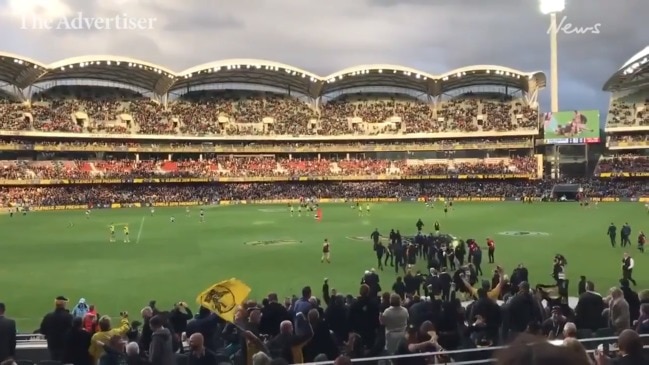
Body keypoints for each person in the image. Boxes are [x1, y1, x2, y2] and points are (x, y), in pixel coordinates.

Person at [40, 296, 73, 361]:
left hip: (52, 344)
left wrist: (49, 335)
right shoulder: (68, 316)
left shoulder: (48, 316)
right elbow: (72, 331)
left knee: (54, 361)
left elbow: (42, 330)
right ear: (64, 304)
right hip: (64, 345)